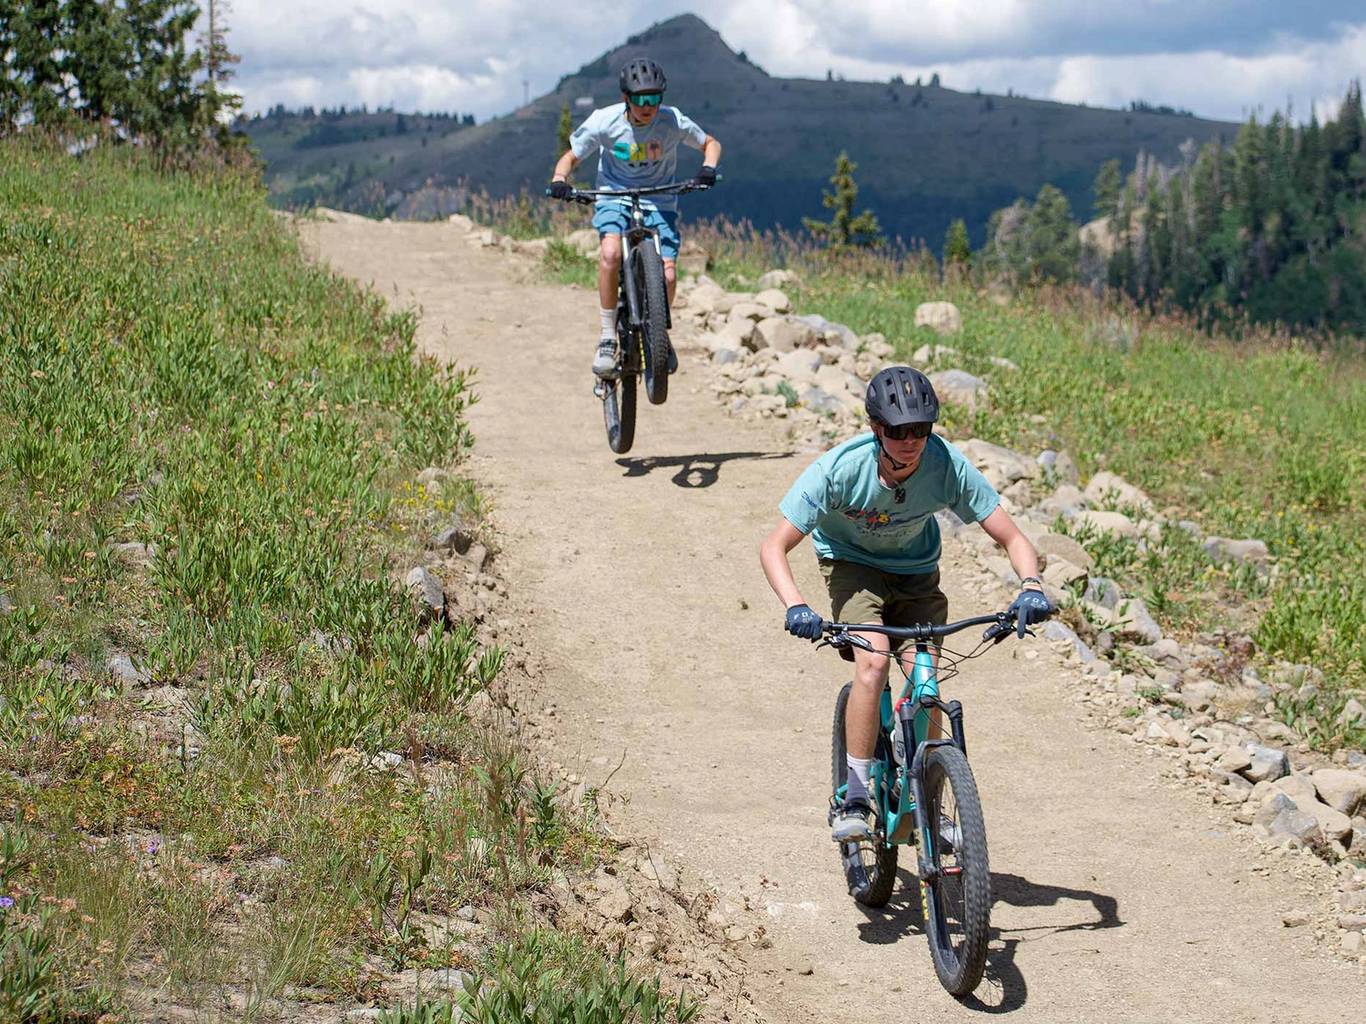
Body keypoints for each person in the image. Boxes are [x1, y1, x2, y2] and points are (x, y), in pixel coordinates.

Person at [758, 366, 1052, 842]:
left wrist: (1032, 586)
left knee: (926, 676)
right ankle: (853, 794)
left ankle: (928, 798)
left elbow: (1012, 537)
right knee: (873, 659)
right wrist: (797, 607)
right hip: (852, 568)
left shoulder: (946, 465)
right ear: (877, 428)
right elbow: (774, 546)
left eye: (920, 429)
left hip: (916, 572)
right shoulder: (840, 470)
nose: (910, 440)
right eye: (897, 431)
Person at [548, 57, 723, 377]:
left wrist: (708, 169)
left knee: (668, 276)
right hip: (614, 195)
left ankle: (659, 333)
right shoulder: (605, 121)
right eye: (641, 99)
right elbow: (571, 156)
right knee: (611, 253)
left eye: (655, 98)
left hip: (660, 199)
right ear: (626, 98)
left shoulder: (672, 121)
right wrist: (560, 180)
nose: (648, 106)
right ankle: (606, 336)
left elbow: (711, 143)